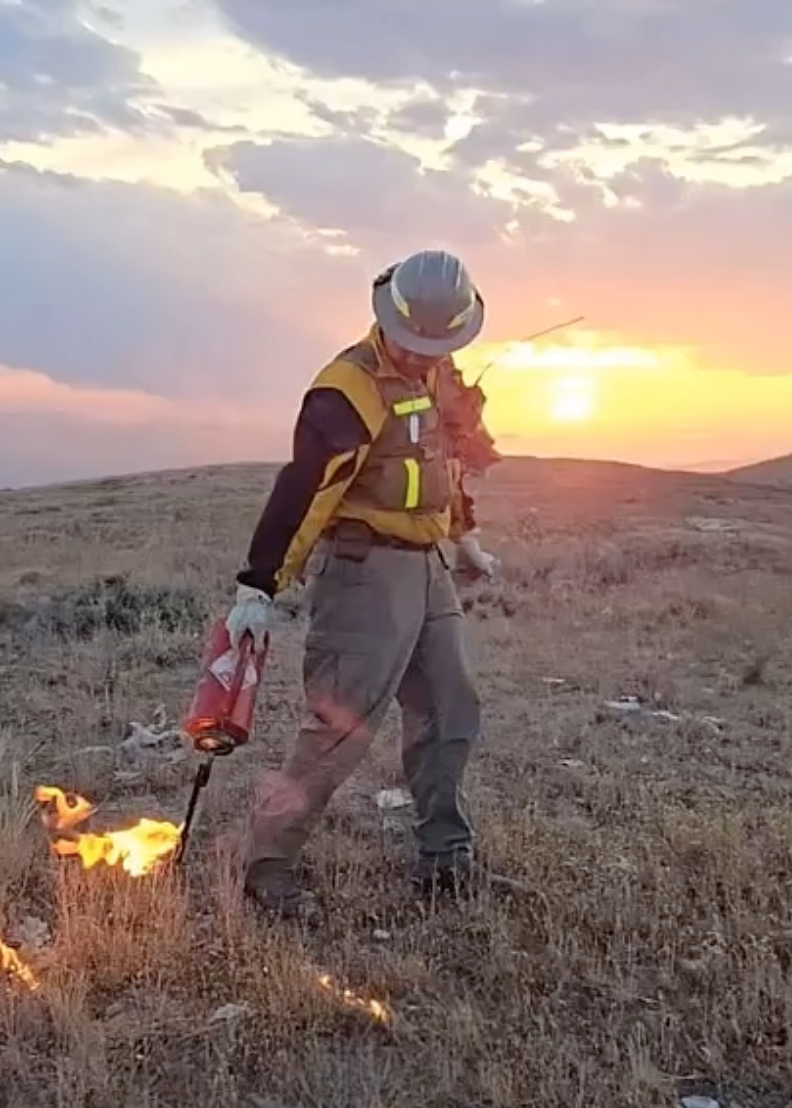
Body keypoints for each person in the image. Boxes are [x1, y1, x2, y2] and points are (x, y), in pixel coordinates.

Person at [226, 248, 499, 919]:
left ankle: (445, 856)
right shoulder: (345, 389)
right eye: (412, 343)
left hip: (428, 569)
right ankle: (264, 863)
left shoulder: (441, 373)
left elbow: (441, 462)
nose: (420, 356)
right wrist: (259, 587)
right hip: (362, 572)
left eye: (435, 344)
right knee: (339, 726)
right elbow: (304, 491)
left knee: (449, 707)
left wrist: (462, 537)